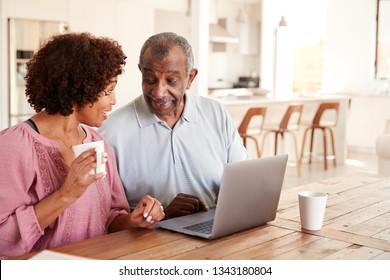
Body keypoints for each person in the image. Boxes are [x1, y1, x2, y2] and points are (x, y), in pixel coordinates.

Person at [0, 32, 164, 259]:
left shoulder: (98, 144)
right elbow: (3, 239)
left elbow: (109, 220)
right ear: (79, 89)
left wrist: (133, 220)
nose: (113, 100)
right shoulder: (14, 145)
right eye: (108, 91)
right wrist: (66, 194)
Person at [99, 32, 249, 220]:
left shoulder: (216, 113)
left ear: (190, 78)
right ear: (141, 71)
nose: (159, 92)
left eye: (171, 81)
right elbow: (105, 216)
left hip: (216, 232)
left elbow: (244, 178)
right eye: (150, 79)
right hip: (149, 244)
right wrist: (161, 216)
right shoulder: (111, 132)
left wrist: (232, 197)